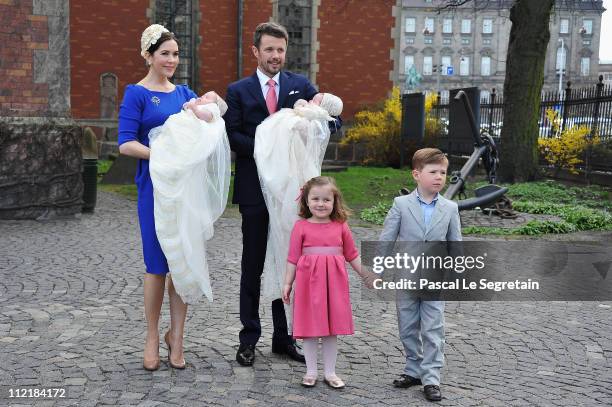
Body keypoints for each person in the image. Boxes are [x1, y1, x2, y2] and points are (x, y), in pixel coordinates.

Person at [224, 21, 341, 367]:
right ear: (256, 51)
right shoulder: (238, 90)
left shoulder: (300, 86)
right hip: (254, 190)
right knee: (254, 265)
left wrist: (314, 119)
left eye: (280, 50)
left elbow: (333, 122)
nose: (275, 56)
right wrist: (268, 148)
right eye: (269, 50)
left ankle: (283, 337)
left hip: (292, 193)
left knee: (286, 263)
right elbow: (232, 136)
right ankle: (248, 337)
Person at [118, 24, 198, 371]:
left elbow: (206, 125)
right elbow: (125, 143)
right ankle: (152, 335)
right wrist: (161, 156)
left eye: (175, 54)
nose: (171, 60)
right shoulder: (136, 93)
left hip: (185, 190)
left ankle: (176, 338)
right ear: (148, 55)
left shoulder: (184, 94)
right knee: (156, 267)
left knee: (181, 266)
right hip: (153, 188)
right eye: (164, 53)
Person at [379, 148, 462, 402]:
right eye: (433, 172)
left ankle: (431, 377)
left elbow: (455, 243)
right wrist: (378, 269)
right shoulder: (400, 205)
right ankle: (413, 369)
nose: (439, 177)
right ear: (417, 174)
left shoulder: (450, 208)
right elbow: (386, 239)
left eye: (443, 172)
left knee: (433, 328)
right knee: (407, 325)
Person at [281, 176, 373, 389]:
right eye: (315, 199)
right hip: (308, 286)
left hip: (334, 285)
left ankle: (330, 372)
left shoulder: (341, 226)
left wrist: (367, 275)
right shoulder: (301, 227)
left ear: (334, 202)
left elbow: (352, 254)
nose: (321, 204)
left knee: (332, 330)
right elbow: (292, 258)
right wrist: (287, 283)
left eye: (326, 200)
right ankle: (311, 371)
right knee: (311, 328)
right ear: (306, 201)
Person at [255, 92, 343, 302]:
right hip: (291, 169)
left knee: (291, 222)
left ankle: (297, 284)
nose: (314, 97)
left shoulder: (315, 121)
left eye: (318, 98)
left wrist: (302, 112)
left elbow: (301, 127)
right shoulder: (309, 115)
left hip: (298, 172)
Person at [148, 90, 230, 305]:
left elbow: (206, 118)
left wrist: (194, 108)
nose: (201, 98)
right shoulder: (198, 106)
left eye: (207, 97)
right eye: (202, 97)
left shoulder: (210, 111)